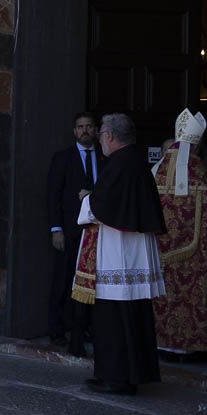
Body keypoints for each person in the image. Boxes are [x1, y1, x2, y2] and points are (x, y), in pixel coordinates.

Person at [73, 113, 166, 395]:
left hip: (118, 252)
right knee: (129, 314)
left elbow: (103, 206)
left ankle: (116, 378)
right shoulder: (134, 162)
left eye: (101, 134)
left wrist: (86, 199)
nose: (100, 139)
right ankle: (123, 375)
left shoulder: (120, 164)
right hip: (129, 251)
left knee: (114, 316)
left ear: (110, 136)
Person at [150, 110, 207, 354]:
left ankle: (159, 340)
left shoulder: (154, 178)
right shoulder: (205, 183)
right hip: (196, 258)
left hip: (157, 254)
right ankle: (192, 345)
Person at [46, 112, 103, 356]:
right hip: (68, 230)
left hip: (99, 231)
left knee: (96, 282)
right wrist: (55, 228)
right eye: (80, 127)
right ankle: (57, 330)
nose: (85, 130)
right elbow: (52, 195)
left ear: (97, 129)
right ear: (74, 131)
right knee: (63, 279)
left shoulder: (105, 157)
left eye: (89, 126)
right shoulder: (63, 158)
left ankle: (89, 327)